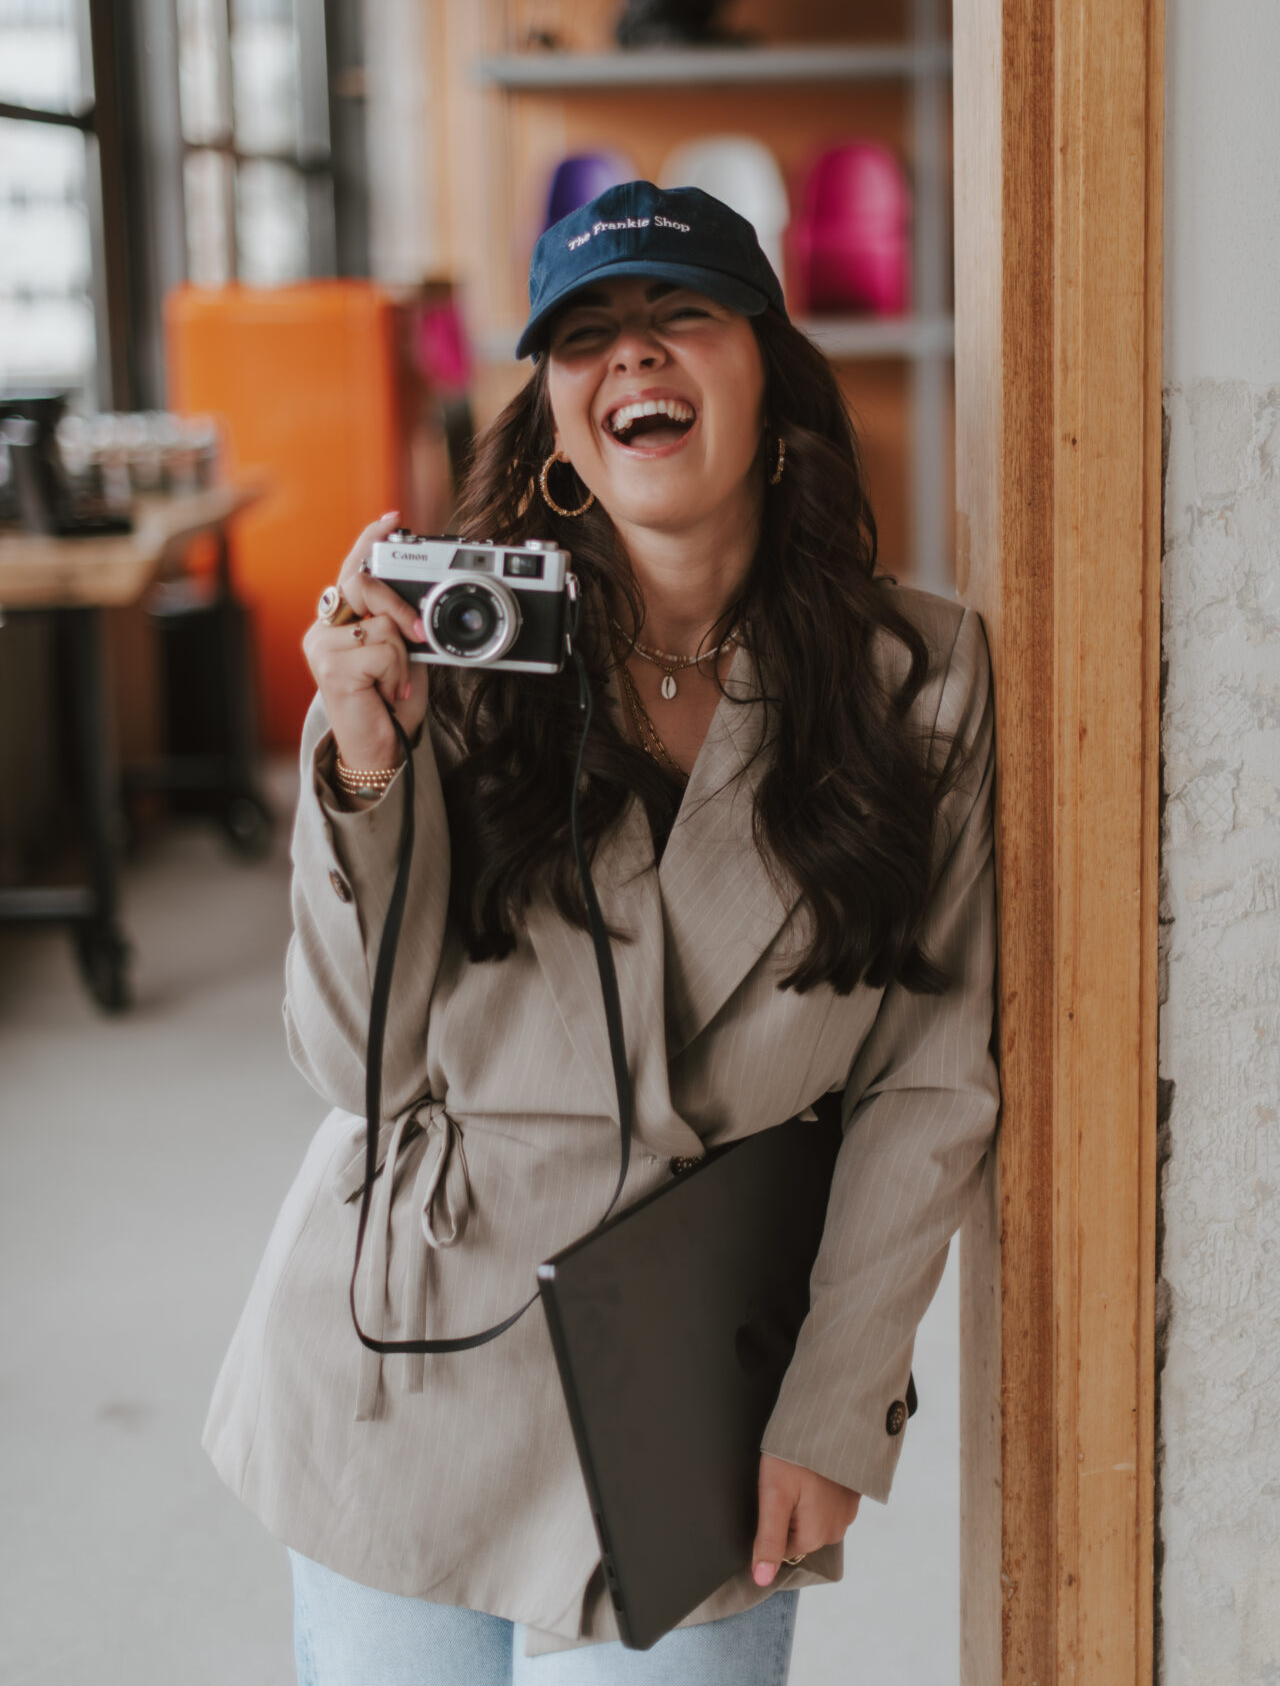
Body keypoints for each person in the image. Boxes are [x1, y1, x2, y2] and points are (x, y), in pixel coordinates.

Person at [204, 181, 999, 1685]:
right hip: (408, 1327)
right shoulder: (454, 647)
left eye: (678, 315)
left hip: (692, 1356)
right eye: (585, 336)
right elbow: (344, 1060)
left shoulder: (920, 679)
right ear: (558, 426)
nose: (631, 355)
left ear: (767, 372)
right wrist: (364, 753)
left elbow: (930, 1082)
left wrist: (837, 1406)